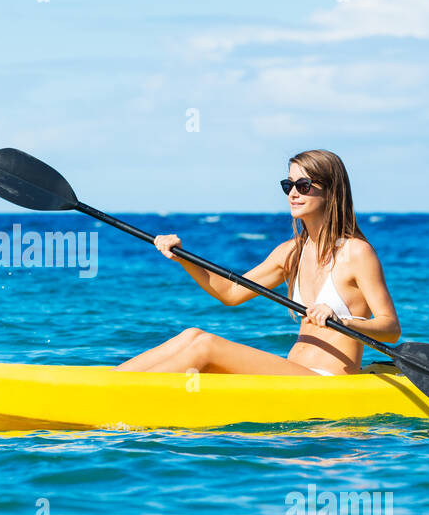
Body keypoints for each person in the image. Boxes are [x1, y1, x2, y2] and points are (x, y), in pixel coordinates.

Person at [114, 149, 400, 376]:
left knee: (206, 346)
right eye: (288, 184)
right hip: (295, 374)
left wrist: (342, 321)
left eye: (303, 185)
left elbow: (390, 328)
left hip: (326, 380)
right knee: (192, 334)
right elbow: (230, 293)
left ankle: (117, 399)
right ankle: (109, 383)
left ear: (331, 191)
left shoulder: (356, 252)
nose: (293, 193)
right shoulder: (291, 252)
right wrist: (181, 257)